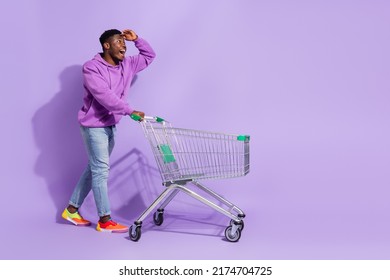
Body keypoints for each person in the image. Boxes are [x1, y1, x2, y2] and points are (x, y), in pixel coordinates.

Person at [61, 29, 156, 233]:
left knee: (94, 168)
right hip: (94, 126)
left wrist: (137, 39)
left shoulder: (127, 64)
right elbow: (104, 96)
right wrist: (130, 111)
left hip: (111, 124)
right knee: (100, 171)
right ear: (107, 45)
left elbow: (149, 56)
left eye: (125, 42)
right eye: (119, 42)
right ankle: (104, 220)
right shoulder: (92, 68)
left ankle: (71, 210)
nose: (124, 45)